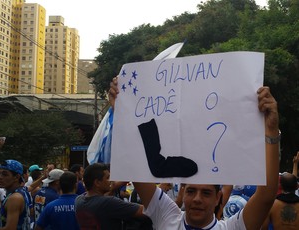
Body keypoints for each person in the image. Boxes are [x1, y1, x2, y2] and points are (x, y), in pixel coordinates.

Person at [109, 77, 280, 229]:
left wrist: (271, 130)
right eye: (191, 191)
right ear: (183, 192)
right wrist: (124, 113)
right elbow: (137, 170)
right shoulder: (167, 216)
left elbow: (266, 195)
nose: (197, 199)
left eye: (206, 193)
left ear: (218, 198)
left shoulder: (231, 227)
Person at [75, 163, 145, 229]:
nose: (111, 180)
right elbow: (145, 211)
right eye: (107, 178)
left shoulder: (78, 200)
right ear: (97, 182)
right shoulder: (109, 203)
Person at [0, 159, 31, 229]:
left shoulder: (15, 198)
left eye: (4, 174)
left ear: (16, 177)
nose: (0, 177)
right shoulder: (22, 190)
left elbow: (10, 228)